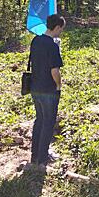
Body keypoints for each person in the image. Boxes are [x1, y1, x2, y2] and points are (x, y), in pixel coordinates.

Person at [29, 14, 66, 170]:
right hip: (48, 89)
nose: (61, 32)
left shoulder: (35, 41)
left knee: (39, 120)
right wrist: (58, 86)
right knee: (48, 122)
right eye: (61, 29)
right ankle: (43, 159)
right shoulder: (52, 46)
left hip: (35, 87)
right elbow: (54, 70)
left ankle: (35, 155)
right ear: (57, 27)